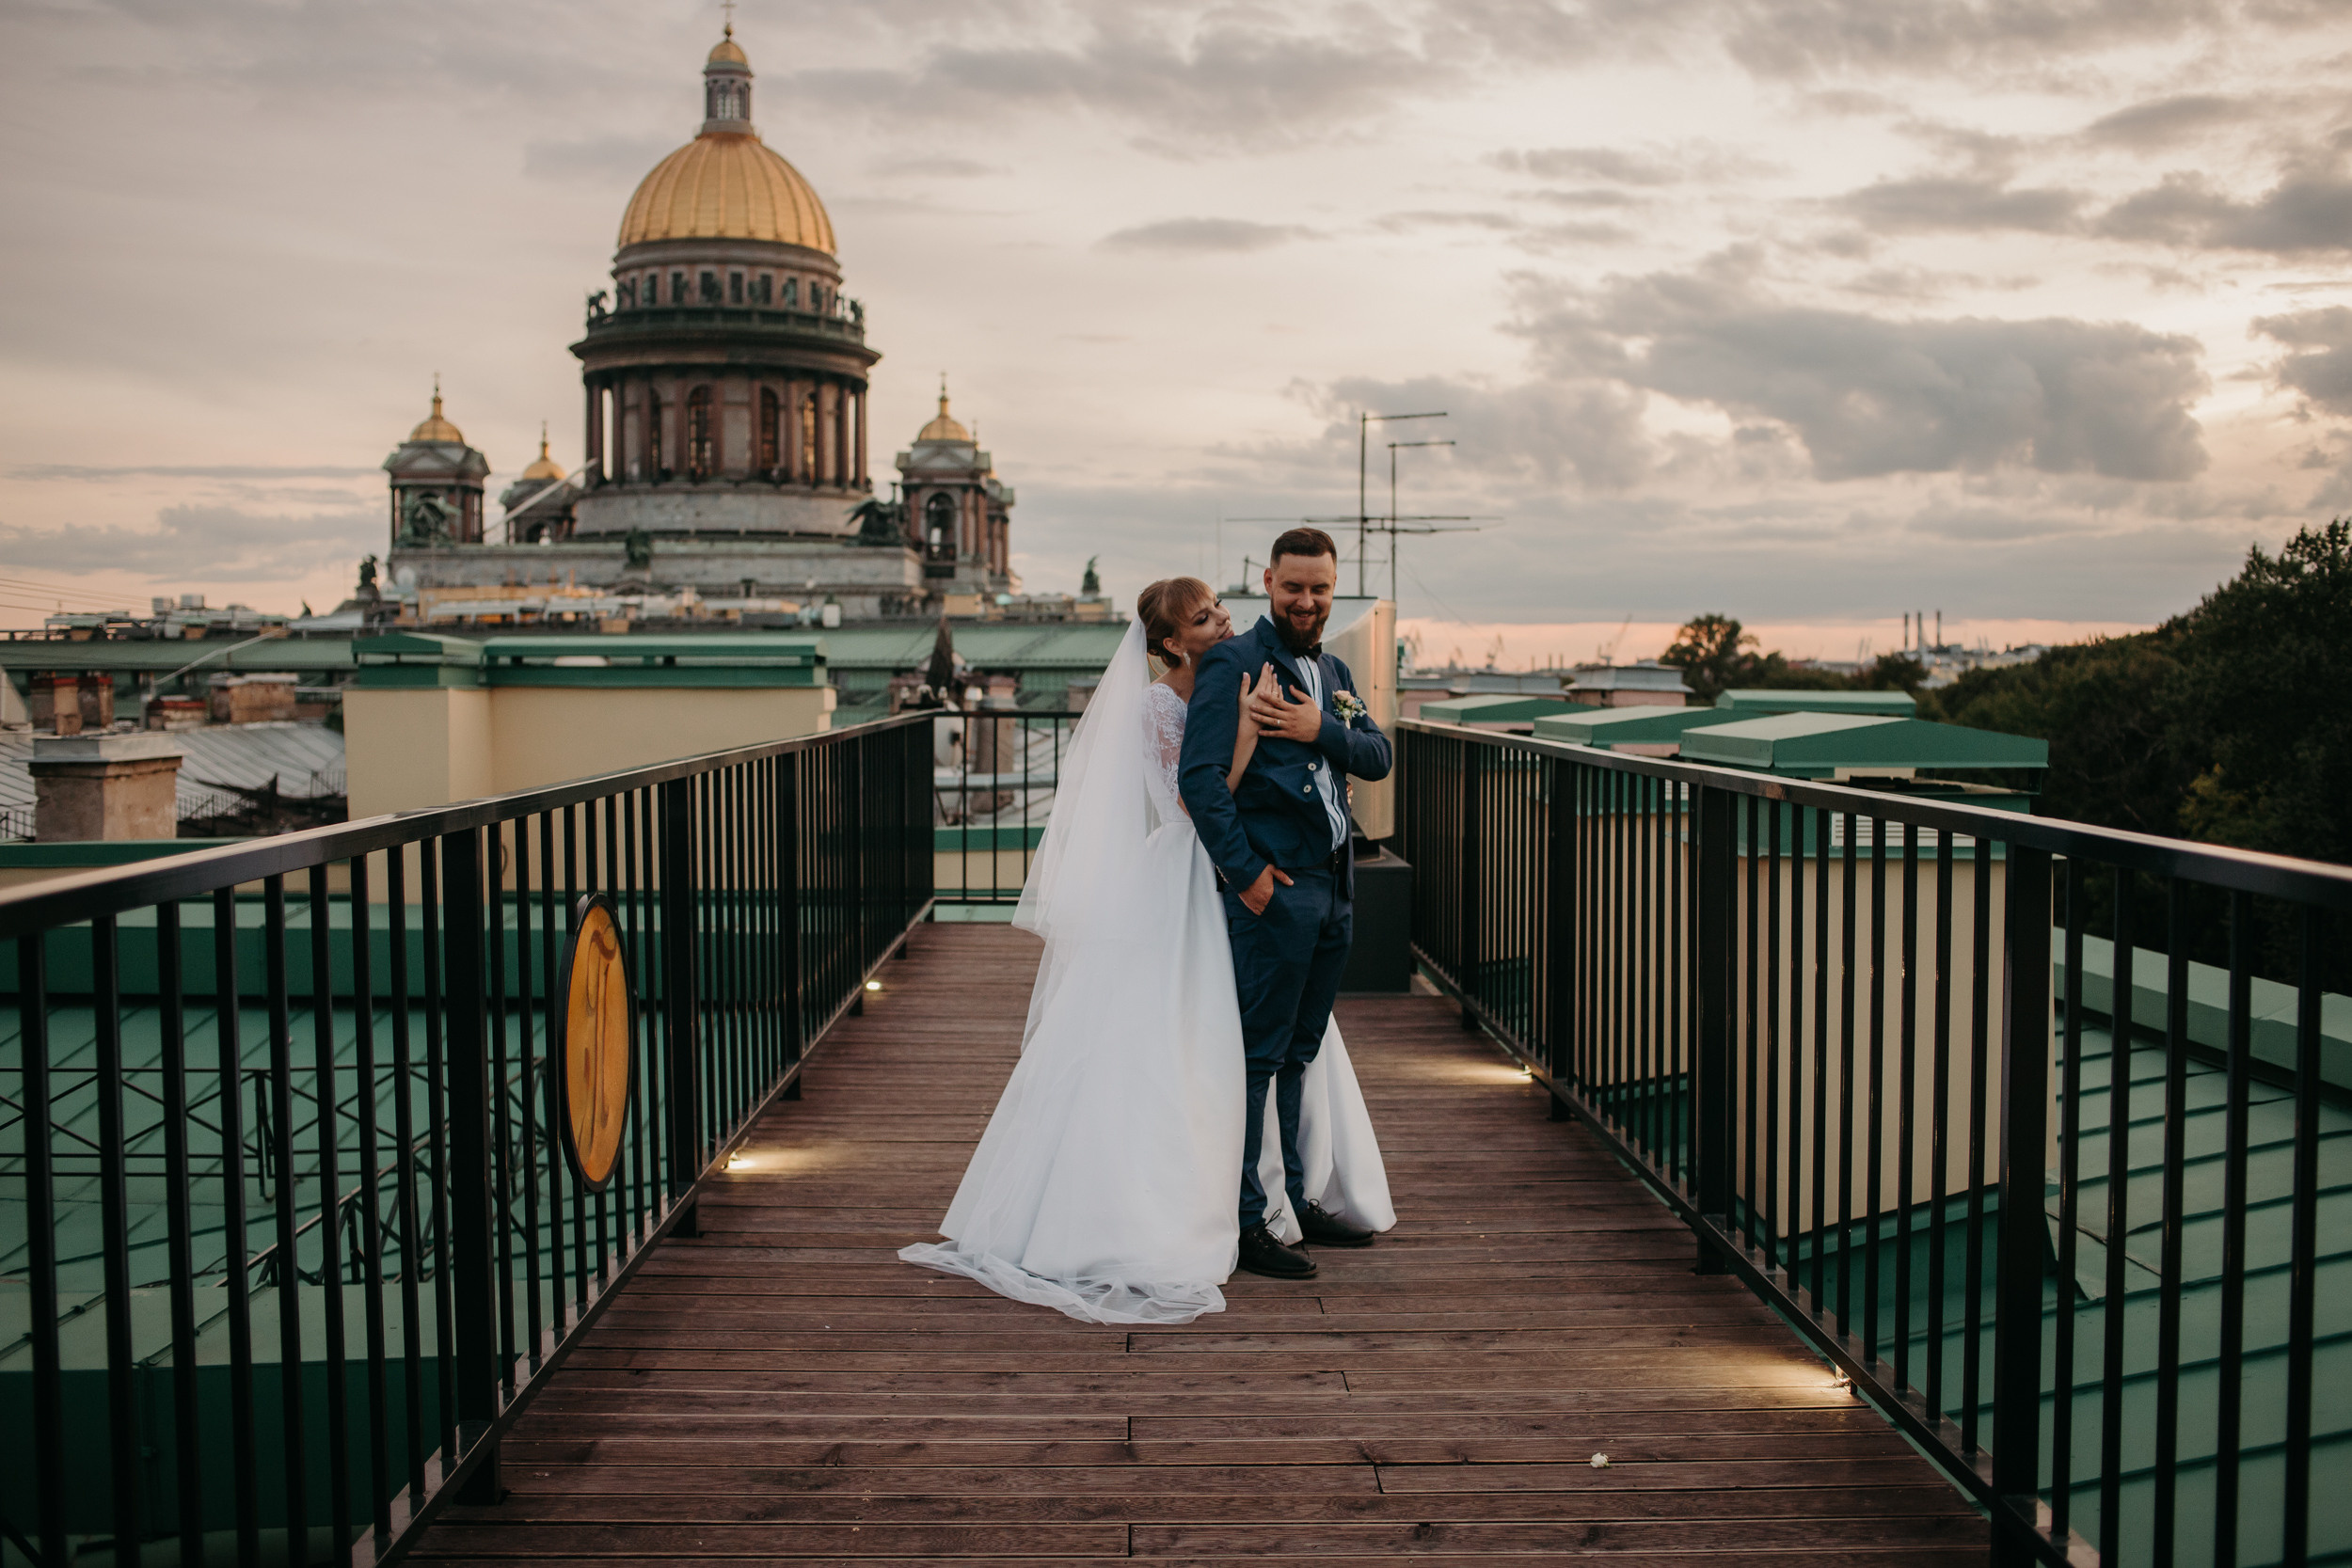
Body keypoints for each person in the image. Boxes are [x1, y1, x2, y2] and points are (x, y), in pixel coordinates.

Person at [898, 572, 1392, 1322]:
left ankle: (1282, 1189)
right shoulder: (1160, 703)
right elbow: (1196, 795)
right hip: (1189, 873)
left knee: (1270, 1035)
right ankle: (1198, 1204)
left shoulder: (1240, 679)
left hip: (1250, 874)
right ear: (1167, 644)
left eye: (1219, 609)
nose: (1221, 622)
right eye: (1202, 618)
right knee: (1186, 1037)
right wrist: (1254, 739)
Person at [1178, 529, 1394, 1280]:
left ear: (1335, 589)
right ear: (1269, 582)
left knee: (1300, 1052)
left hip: (1335, 889)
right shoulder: (1234, 663)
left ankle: (1293, 1202)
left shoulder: (1333, 668)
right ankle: (1246, 1222)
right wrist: (1249, 878)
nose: (1307, 601)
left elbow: (1378, 754)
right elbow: (1200, 780)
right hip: (1275, 894)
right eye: (1294, 587)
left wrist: (1318, 727)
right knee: (1257, 1058)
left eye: (1321, 589)